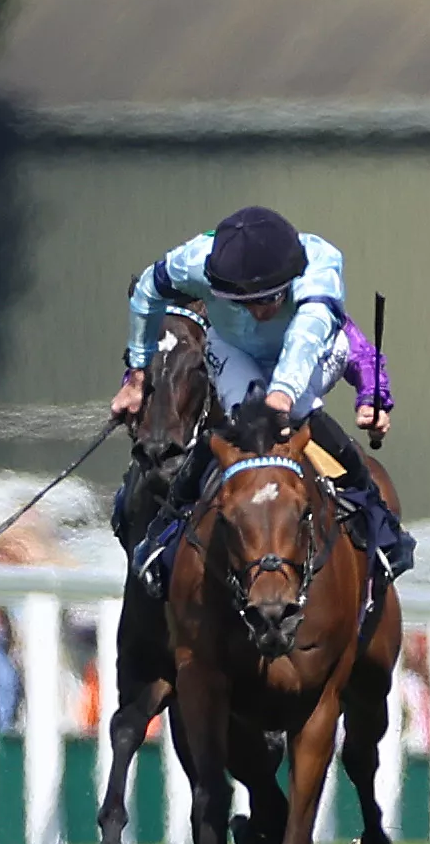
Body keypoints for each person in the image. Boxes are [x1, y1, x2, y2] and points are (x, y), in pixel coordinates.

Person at [107, 205, 411, 579]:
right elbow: (145, 295)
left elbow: (304, 341)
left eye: (267, 300)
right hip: (233, 347)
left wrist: (283, 395)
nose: (256, 313)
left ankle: (382, 528)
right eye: (242, 303)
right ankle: (162, 535)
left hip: (315, 350)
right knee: (240, 426)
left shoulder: (319, 272)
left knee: (295, 413)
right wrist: (136, 378)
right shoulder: (192, 262)